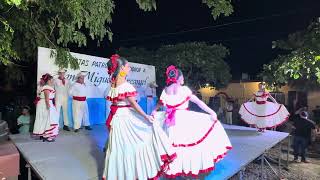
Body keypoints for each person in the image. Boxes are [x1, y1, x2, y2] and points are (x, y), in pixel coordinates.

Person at [102, 54, 176, 180]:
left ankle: (119, 175)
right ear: (121, 69)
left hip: (116, 119)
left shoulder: (113, 85)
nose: (129, 69)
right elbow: (133, 104)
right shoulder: (125, 86)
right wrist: (146, 116)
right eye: (127, 66)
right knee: (139, 140)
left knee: (119, 148)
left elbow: (121, 103)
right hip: (124, 119)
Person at [152, 65, 232, 178]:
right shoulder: (184, 89)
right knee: (186, 145)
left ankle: (175, 170)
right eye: (182, 77)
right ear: (178, 78)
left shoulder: (165, 90)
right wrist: (212, 112)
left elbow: (159, 104)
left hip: (170, 122)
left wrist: (154, 111)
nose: (183, 79)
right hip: (183, 120)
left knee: (174, 145)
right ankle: (185, 170)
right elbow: (199, 102)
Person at [33, 73, 59, 142]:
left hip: (45, 103)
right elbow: (47, 98)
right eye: (51, 80)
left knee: (44, 119)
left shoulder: (46, 87)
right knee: (49, 120)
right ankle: (47, 136)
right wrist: (48, 106)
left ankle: (43, 135)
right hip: (45, 104)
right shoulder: (46, 87)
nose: (52, 81)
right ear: (49, 80)